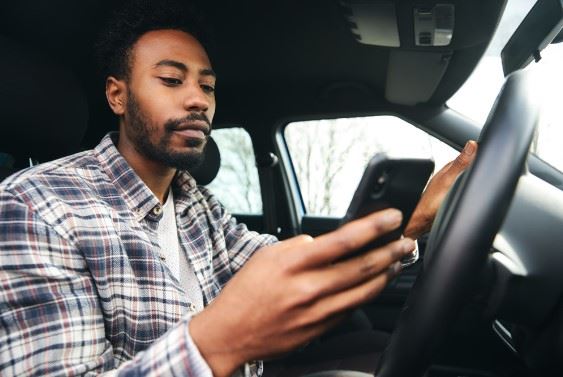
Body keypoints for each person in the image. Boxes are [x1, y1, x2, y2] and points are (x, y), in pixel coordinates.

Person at [0, 1, 477, 376]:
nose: (197, 100)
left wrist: (414, 219)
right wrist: (222, 340)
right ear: (117, 95)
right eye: (171, 79)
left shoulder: (194, 202)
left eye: (207, 87)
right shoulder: (35, 207)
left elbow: (284, 269)